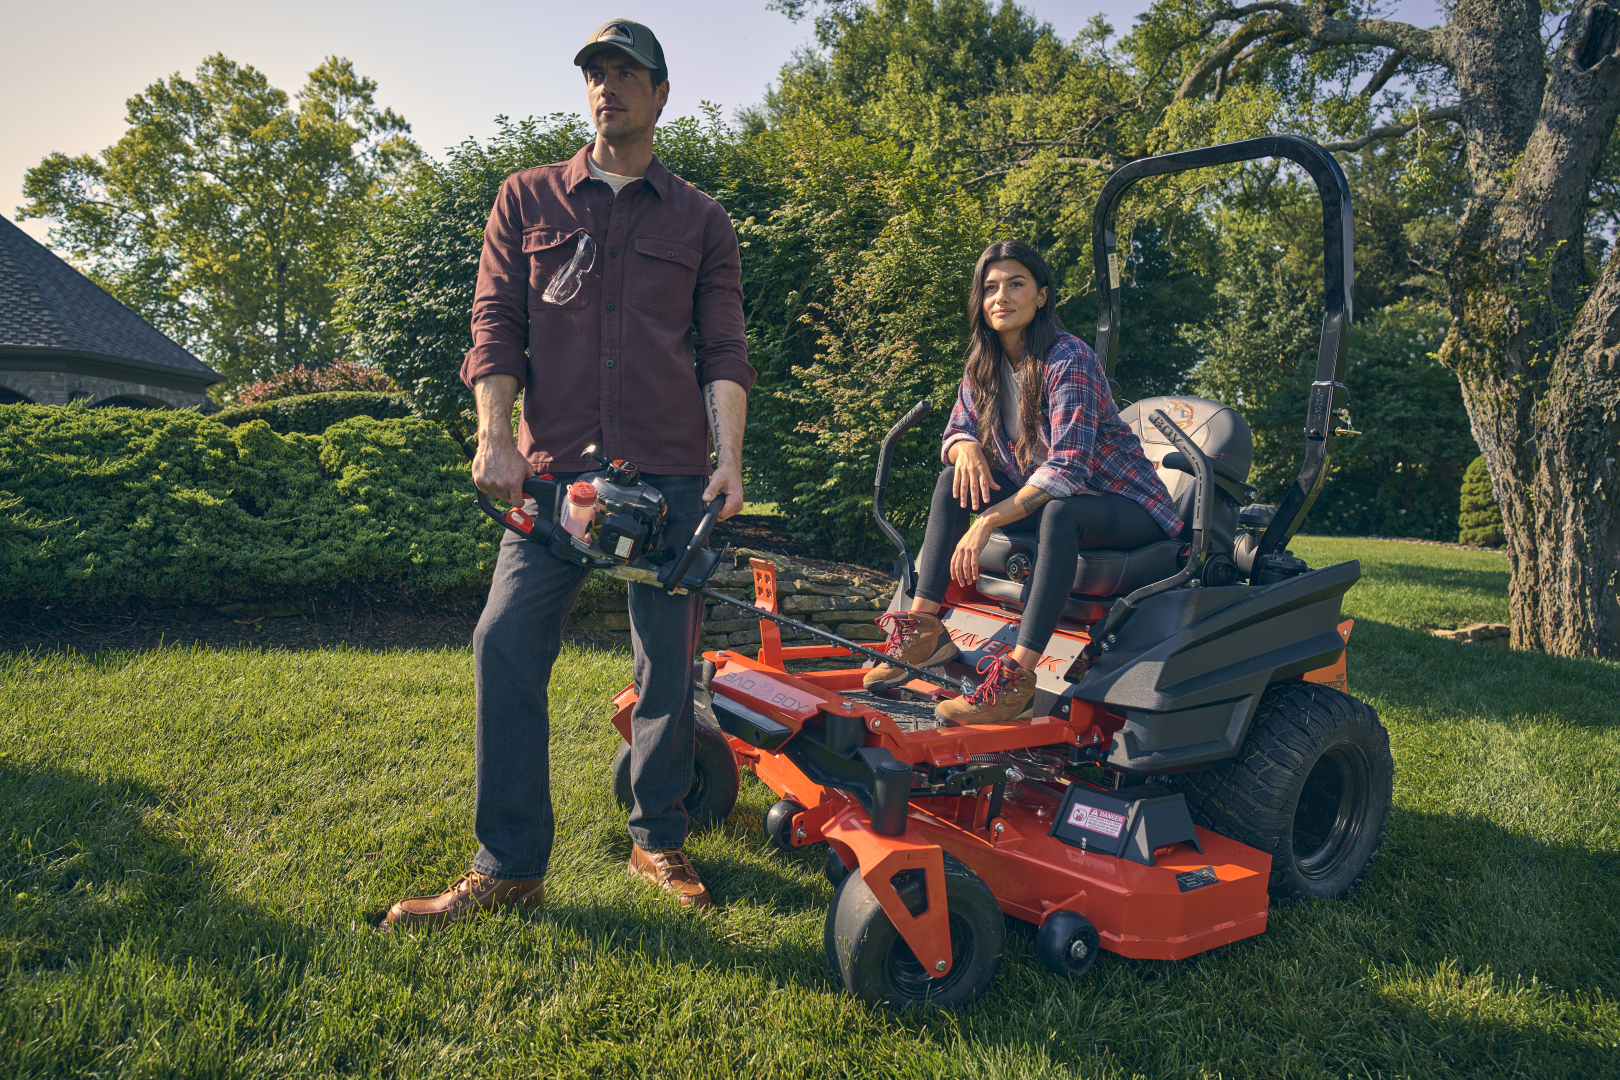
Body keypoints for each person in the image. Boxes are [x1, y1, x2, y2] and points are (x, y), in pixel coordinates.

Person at [384, 19, 754, 928]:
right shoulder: (526, 198)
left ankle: (657, 837)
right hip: (552, 485)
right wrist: (494, 434)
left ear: (661, 94)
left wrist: (729, 463)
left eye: (627, 74)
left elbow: (724, 351)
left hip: (670, 477)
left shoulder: (701, 219)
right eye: (596, 73)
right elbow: (494, 325)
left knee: (667, 667)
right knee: (504, 642)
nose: (607, 88)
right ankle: (510, 865)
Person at [864, 240, 1182, 723]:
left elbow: (1068, 469)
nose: (1001, 297)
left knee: (1061, 510)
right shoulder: (983, 363)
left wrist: (986, 521)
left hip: (1124, 504)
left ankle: (1014, 680)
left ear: (1041, 296)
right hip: (1057, 498)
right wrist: (965, 446)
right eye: (990, 287)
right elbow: (956, 430)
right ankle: (925, 629)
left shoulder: (1067, 359)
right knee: (953, 478)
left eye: (1016, 284)